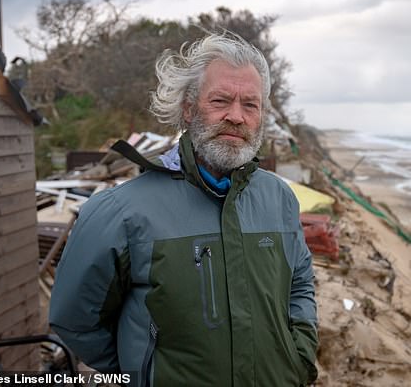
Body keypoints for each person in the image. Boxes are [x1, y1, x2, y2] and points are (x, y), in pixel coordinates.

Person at [49, 33, 319, 387]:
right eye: (220, 100)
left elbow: (299, 284)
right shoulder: (121, 211)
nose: (236, 116)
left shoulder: (279, 198)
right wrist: (143, 371)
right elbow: (75, 321)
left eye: (250, 105)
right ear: (188, 109)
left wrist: (299, 356)